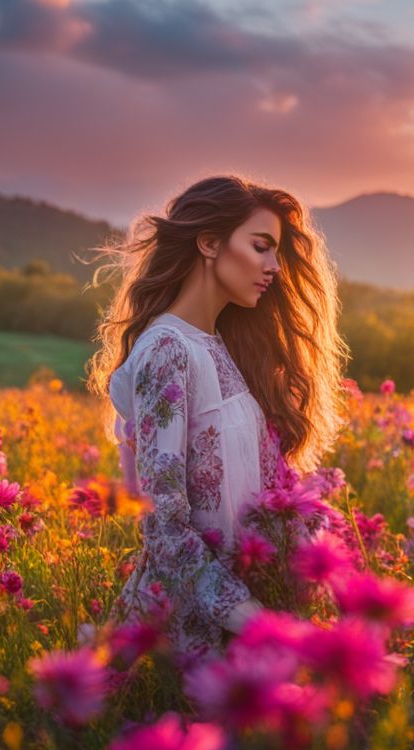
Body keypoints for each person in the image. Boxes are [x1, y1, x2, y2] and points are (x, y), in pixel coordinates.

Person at [84, 174, 350, 664]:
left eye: (277, 253)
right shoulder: (167, 350)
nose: (272, 267)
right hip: (191, 634)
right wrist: (252, 620)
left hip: (246, 620)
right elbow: (164, 527)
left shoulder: (219, 347)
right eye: (261, 247)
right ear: (209, 242)